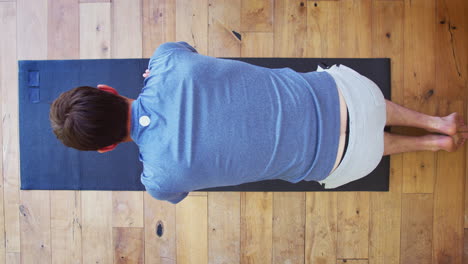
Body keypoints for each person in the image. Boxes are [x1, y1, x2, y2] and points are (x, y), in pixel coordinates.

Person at [49, 42, 468, 204]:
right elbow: (183, 50)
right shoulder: (166, 61)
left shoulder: (158, 180)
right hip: (354, 95)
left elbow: (178, 192)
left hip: (351, 162)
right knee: (364, 106)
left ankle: (432, 145)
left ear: (105, 148)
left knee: (363, 145)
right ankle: (437, 121)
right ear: (106, 89)